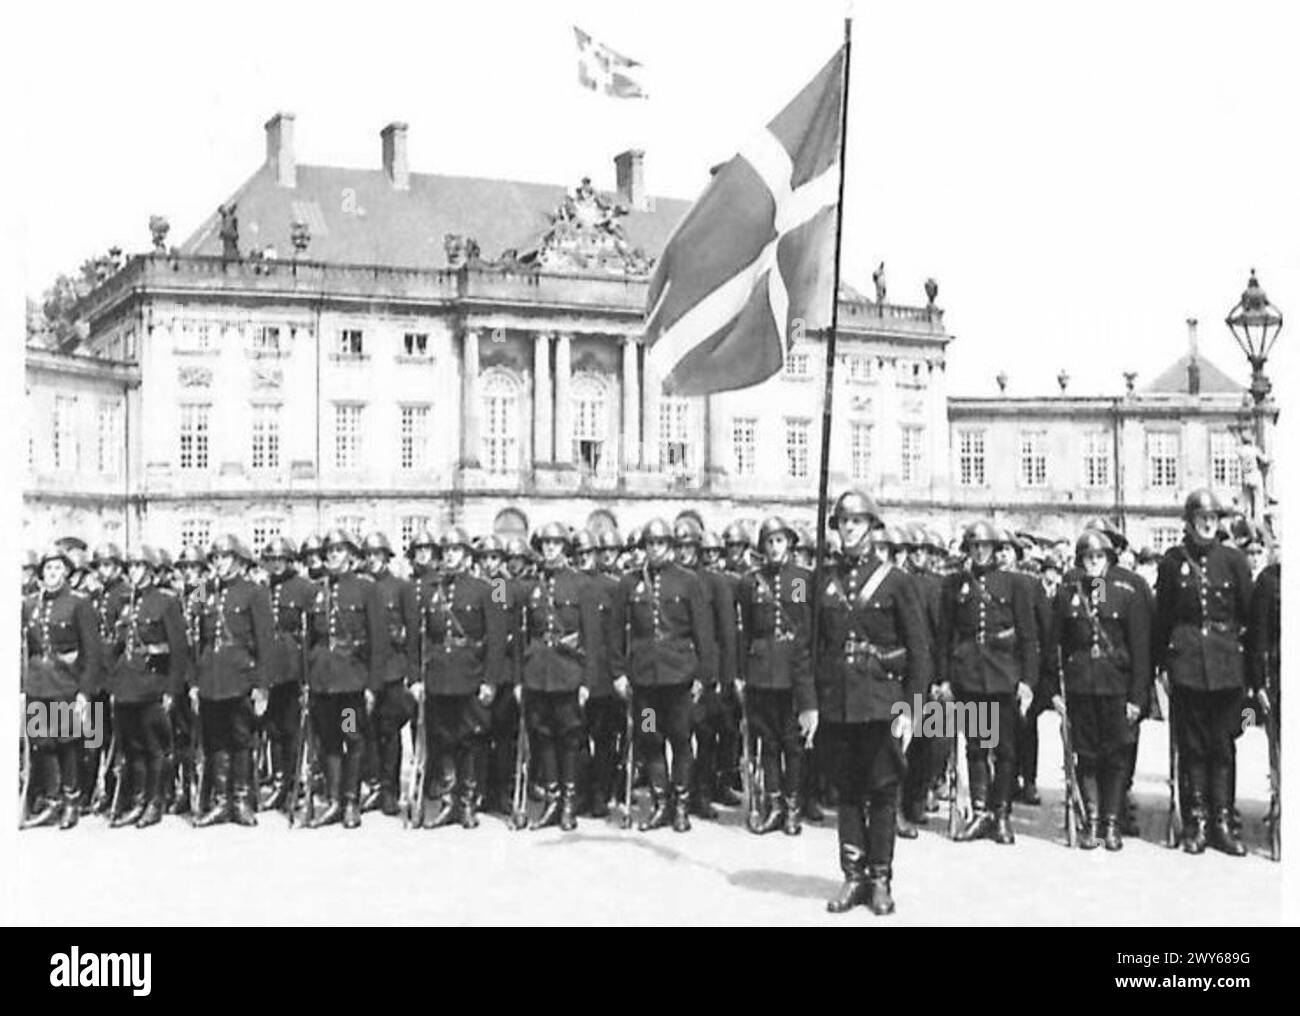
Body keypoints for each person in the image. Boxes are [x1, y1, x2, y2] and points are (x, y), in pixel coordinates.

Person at [819, 491, 930, 915]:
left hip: (882, 701)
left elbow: (919, 652)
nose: (848, 528)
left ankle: (881, 878)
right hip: (839, 702)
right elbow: (812, 649)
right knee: (847, 791)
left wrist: (911, 709)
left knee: (883, 791)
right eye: (843, 522)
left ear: (871, 527)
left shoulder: (897, 581)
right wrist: (811, 704)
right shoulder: (821, 579)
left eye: (857, 522)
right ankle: (853, 875)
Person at [1153, 489, 1254, 856]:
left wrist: (1250, 671)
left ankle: (1222, 821)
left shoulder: (1234, 561)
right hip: (1187, 668)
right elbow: (1162, 619)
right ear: (1189, 521)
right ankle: (1194, 821)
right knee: (1192, 748)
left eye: (1213, 517)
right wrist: (1162, 666)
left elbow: (1247, 616)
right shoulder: (1171, 563)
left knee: (1222, 747)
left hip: (1227, 668)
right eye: (1201, 517)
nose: (1208, 523)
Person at [1045, 531, 1150, 850]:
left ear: (1108, 560)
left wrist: (1137, 697)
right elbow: (1054, 646)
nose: (1093, 563)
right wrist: (1053, 692)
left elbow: (1140, 650)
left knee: (1115, 757)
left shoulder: (1124, 593)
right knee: (1087, 756)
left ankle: (1112, 821)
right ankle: (1091, 820)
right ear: (1080, 561)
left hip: (1115, 687)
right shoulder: (1067, 594)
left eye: (1099, 557)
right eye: (1088, 558)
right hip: (1080, 688)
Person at [610, 518, 714, 832]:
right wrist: (618, 672)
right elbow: (616, 632)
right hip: (644, 682)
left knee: (681, 740)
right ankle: (660, 802)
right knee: (650, 738)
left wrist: (702, 676)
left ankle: (681, 805)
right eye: (649, 544)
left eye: (660, 544)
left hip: (679, 679)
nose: (654, 550)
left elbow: (703, 633)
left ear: (669, 546)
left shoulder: (688, 581)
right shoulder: (628, 583)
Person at [939, 520, 1039, 845]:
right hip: (969, 674)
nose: (979, 552)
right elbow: (944, 636)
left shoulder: (1015, 584)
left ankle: (1002, 813)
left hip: (1003, 675)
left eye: (985, 546)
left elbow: (1028, 637)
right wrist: (944, 678)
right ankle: (981, 812)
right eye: (974, 546)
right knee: (977, 746)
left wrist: (1027, 681)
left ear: (996, 550)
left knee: (1006, 750)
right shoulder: (955, 585)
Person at [418, 527, 507, 829]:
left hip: (470, 675)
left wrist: (490, 681)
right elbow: (425, 638)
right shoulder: (431, 590)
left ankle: (468, 801)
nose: (450, 556)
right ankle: (447, 799)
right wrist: (419, 677)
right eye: (446, 552)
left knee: (471, 740)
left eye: (457, 551)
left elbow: (496, 641)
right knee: (443, 740)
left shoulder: (486, 589)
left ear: (468, 556)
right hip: (439, 677)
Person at [517, 523, 601, 829]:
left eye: (556, 544)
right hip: (538, 673)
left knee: (569, 738)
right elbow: (520, 629)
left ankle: (569, 801)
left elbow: (592, 638)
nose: (550, 549)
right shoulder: (530, 585)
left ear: (565, 548)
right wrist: (520, 678)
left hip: (568, 674)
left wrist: (587, 682)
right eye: (546, 544)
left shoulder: (582, 585)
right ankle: (552, 799)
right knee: (542, 736)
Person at [736, 516, 813, 835]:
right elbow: (745, 631)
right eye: (769, 542)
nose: (774, 547)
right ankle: (775, 804)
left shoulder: (801, 579)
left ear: (790, 544)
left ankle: (794, 807)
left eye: (780, 541)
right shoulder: (749, 582)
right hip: (760, 670)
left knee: (792, 744)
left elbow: (804, 626)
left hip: (792, 669)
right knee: (767, 743)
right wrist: (740, 673)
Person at [191, 535, 274, 827]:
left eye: (224, 557)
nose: (219, 564)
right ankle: (221, 801)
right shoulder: (202, 590)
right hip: (210, 679)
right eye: (214, 558)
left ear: (238, 561)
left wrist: (262, 685)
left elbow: (265, 641)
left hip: (240, 677)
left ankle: (240, 799)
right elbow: (196, 635)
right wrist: (194, 680)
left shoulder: (254, 592)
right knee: (215, 741)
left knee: (241, 739)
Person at [104, 546, 187, 828]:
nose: (135, 572)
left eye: (140, 567)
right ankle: (138, 801)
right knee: (133, 748)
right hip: (127, 687)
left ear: (151, 570)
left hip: (153, 684)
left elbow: (178, 648)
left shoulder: (166, 601)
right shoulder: (125, 601)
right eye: (132, 567)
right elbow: (117, 645)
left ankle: (155, 802)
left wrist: (172, 690)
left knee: (156, 748)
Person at [20, 546, 101, 830]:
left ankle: (71, 800)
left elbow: (92, 652)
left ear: (66, 573)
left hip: (66, 684)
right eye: (48, 569)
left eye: (57, 569)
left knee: (68, 744)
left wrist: (84, 692)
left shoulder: (79, 603)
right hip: (38, 683)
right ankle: (52, 800)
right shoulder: (29, 603)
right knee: (43, 744)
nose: (52, 574)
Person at [359, 532, 418, 816]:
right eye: (368, 555)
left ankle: (391, 789)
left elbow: (413, 631)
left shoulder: (402, 587)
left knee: (389, 730)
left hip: (393, 669)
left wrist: (413, 673)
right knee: (359, 729)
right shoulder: (358, 586)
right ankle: (371, 784)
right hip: (363, 669)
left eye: (377, 555)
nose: (372, 560)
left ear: (387, 557)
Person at [259, 537, 317, 811]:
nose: (276, 565)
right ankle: (279, 779)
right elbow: (199, 604)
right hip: (268, 668)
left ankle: (299, 780)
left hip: (295, 668)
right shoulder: (261, 588)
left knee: (295, 728)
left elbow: (313, 634)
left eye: (281, 559)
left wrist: (308, 676)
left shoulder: (305, 588)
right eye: (271, 560)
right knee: (272, 727)